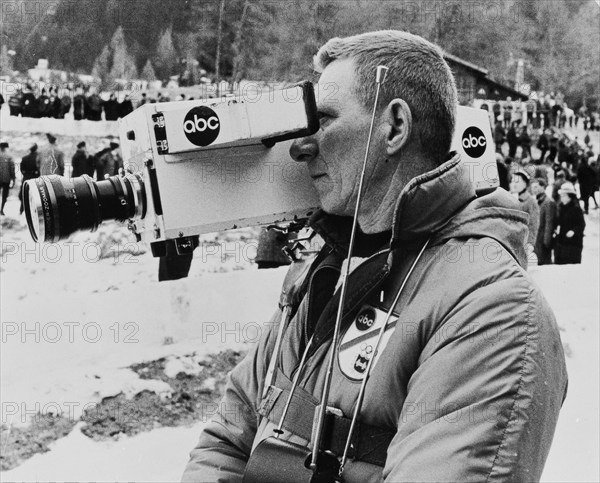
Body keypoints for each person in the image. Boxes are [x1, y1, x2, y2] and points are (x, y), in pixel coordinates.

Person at [182, 30, 567, 482]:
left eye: (323, 121)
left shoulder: (493, 308)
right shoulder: (323, 266)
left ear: (394, 127)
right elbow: (228, 438)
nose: (300, 147)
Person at [554, 182, 585, 264]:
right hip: (561, 242)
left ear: (570, 197)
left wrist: (574, 231)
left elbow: (581, 224)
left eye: (564, 196)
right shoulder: (561, 207)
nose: (561, 198)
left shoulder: (576, 209)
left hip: (573, 244)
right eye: (561, 196)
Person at [510, 170, 539, 255]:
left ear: (525, 184)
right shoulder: (507, 198)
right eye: (512, 181)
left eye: (517, 181)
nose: (514, 184)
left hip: (522, 243)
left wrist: (530, 244)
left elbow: (533, 224)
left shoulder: (530, 202)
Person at [531, 178, 556, 265]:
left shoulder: (548, 202)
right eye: (532, 187)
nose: (534, 189)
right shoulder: (536, 201)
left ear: (543, 187)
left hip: (543, 239)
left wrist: (547, 242)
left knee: (545, 263)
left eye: (536, 187)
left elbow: (549, 223)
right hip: (537, 239)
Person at [19, 143, 40, 214]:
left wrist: (25, 175)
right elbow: (39, 169)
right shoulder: (37, 158)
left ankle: (21, 210)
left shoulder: (24, 158)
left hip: (26, 177)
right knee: (34, 196)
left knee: (24, 194)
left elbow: (21, 169)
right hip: (34, 178)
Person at [0, 142, 16, 215]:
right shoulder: (9, 156)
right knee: (4, 195)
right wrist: (13, 179)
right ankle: (1, 210)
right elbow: (12, 168)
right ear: (6, 148)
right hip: (6, 179)